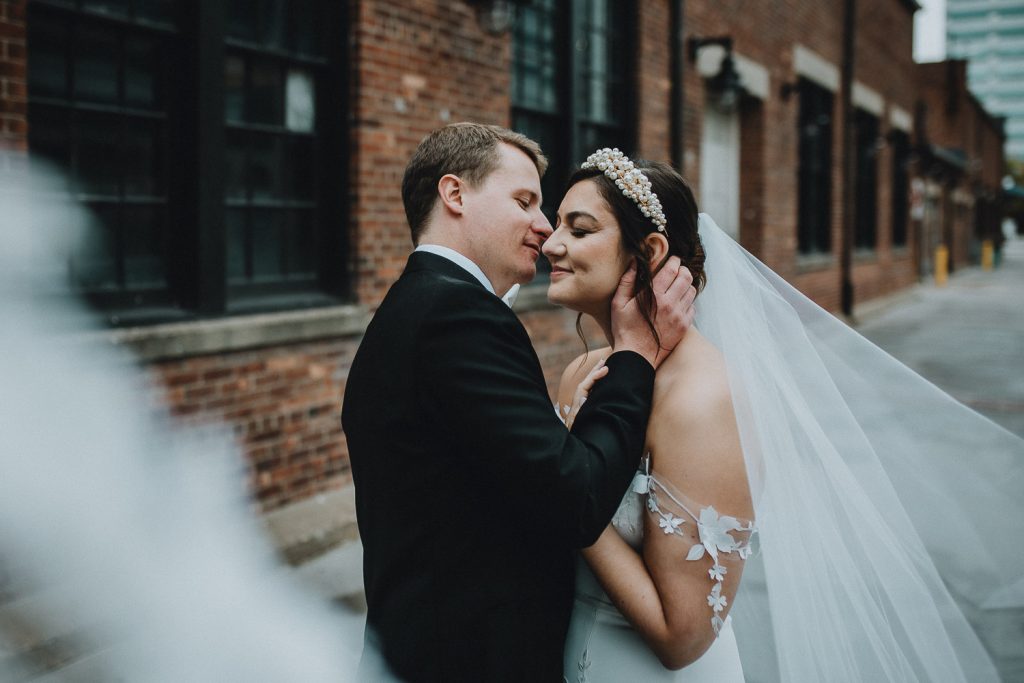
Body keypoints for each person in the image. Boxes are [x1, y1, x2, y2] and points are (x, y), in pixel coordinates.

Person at [546, 149, 1024, 682]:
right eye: (556, 222)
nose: (551, 243)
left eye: (579, 229)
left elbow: (682, 636)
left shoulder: (704, 401)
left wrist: (564, 493)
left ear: (649, 251)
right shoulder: (580, 373)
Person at [341, 124, 696, 682]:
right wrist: (635, 356)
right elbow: (576, 495)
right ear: (454, 195)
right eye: (525, 201)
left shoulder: (416, 306)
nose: (544, 227)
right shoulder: (458, 318)